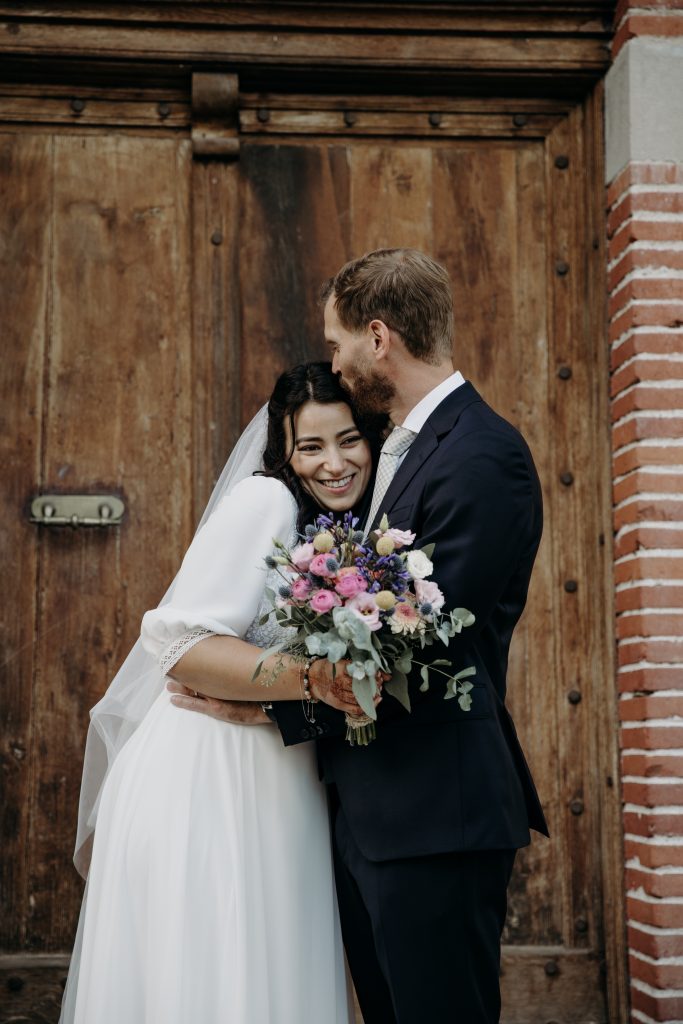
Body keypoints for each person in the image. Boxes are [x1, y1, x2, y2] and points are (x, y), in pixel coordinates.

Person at [172, 248, 549, 1024]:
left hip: (435, 817)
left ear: (377, 337)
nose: (335, 363)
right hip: (373, 813)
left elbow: (425, 642)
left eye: (337, 342)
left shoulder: (481, 456)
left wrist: (269, 706)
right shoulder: (403, 449)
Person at [60, 361, 385, 1024]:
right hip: (212, 776)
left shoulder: (345, 528)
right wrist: (315, 681)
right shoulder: (267, 501)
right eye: (311, 446)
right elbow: (180, 645)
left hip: (273, 767)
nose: (334, 463)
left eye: (348, 439)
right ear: (283, 453)